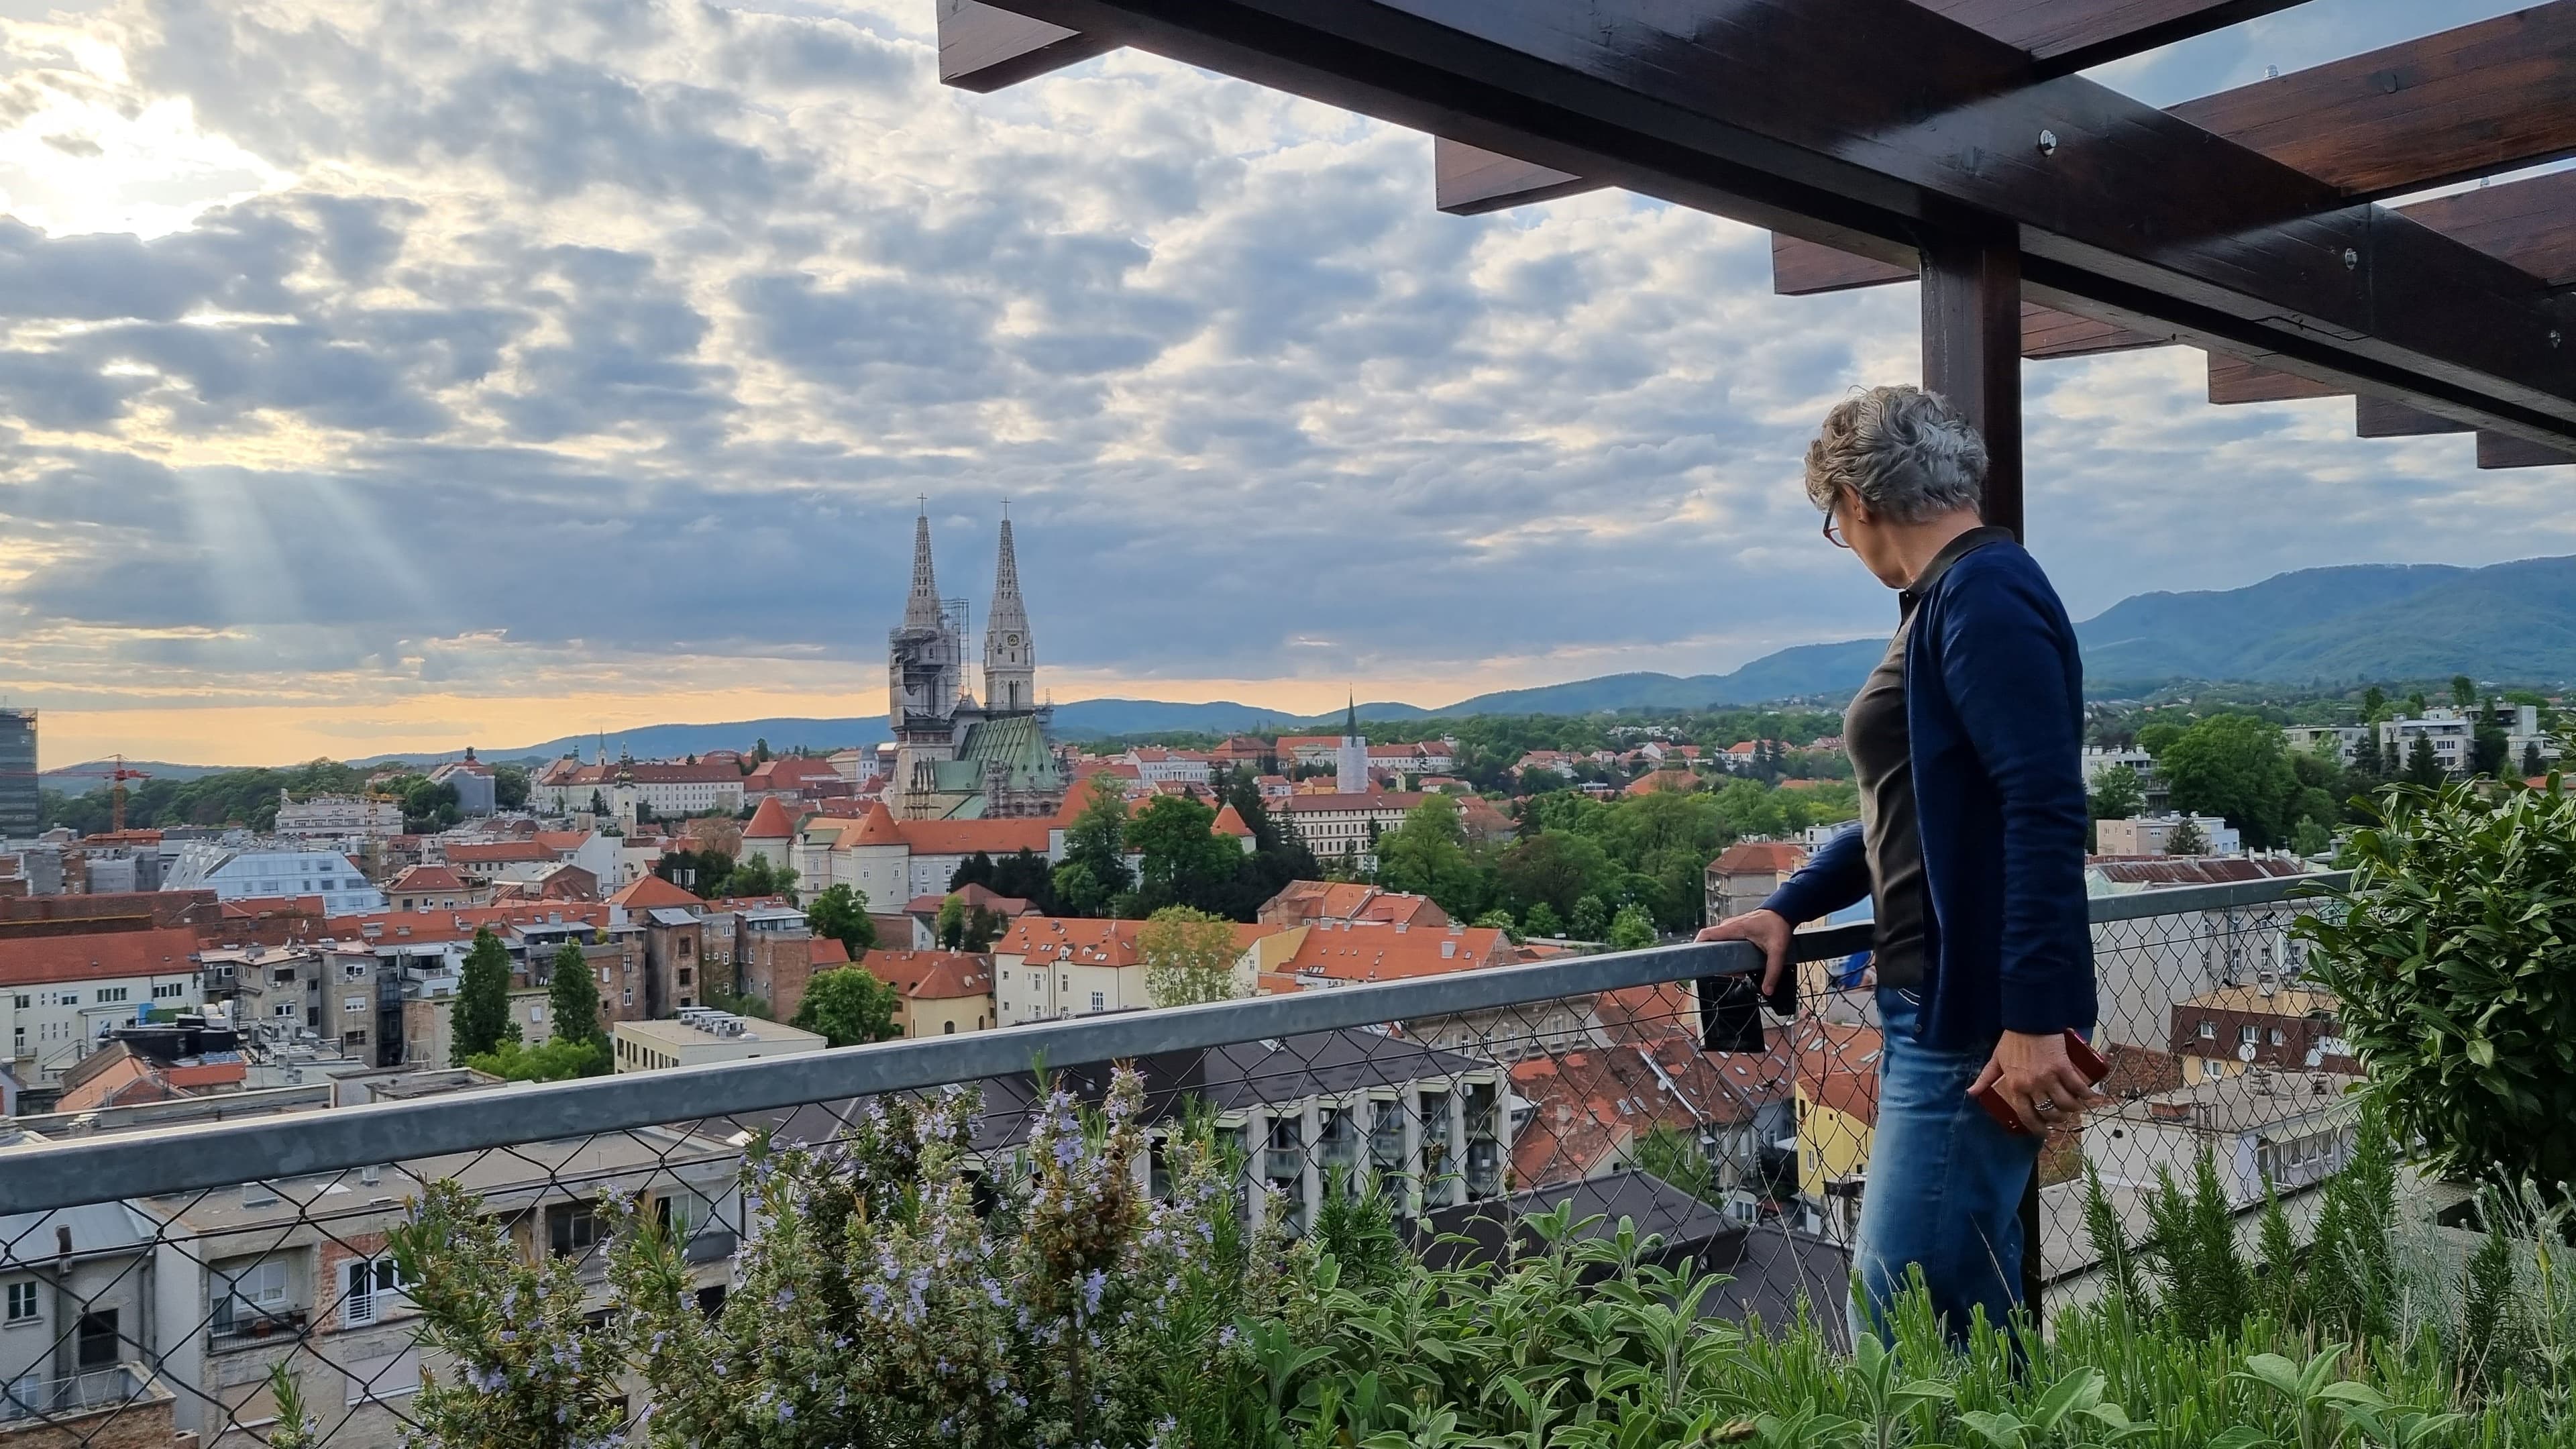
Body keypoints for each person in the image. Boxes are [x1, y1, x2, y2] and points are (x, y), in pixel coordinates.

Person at [1699, 384, 2096, 1346]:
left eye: (1836, 523)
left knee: (1898, 1313)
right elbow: (1912, 815)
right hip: (1956, 1009)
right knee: (1971, 1308)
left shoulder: (1983, 598)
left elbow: (2044, 813)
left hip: (1974, 1022)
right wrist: (1789, 906)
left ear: (1858, 502)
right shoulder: (1954, 598)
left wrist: (2035, 1019)